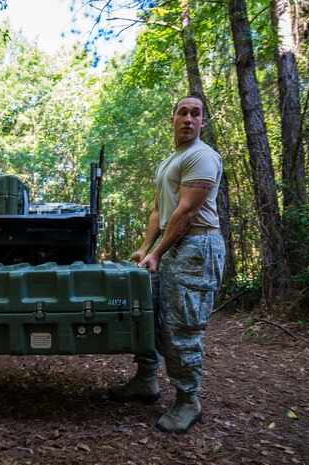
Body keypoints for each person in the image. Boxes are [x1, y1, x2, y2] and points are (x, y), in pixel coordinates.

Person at [109, 96, 225, 434]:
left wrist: (158, 253)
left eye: (196, 114)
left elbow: (186, 212)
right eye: (182, 112)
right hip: (171, 248)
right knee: (147, 314)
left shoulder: (202, 156)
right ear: (172, 119)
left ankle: (188, 400)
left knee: (181, 326)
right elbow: (160, 210)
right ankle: (146, 380)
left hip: (196, 247)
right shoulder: (170, 161)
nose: (188, 118)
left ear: (203, 121)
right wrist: (146, 248)